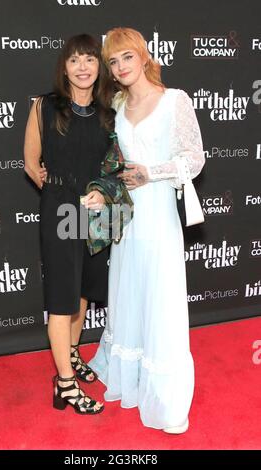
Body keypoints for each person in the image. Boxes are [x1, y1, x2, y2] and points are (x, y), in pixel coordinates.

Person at [88, 27, 205, 432]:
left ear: (143, 56)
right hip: (127, 214)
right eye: (113, 61)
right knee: (129, 291)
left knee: (159, 295)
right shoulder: (117, 104)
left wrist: (152, 172)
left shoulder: (175, 100)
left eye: (127, 57)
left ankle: (164, 399)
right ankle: (128, 377)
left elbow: (195, 159)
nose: (120, 67)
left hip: (157, 212)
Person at [24, 34, 114, 415]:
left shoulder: (111, 109)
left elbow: (117, 165)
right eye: (75, 60)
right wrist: (62, 192)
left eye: (89, 60)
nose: (82, 67)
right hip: (61, 210)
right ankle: (64, 384)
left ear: (99, 67)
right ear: (65, 67)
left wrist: (102, 194)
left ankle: (72, 354)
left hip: (97, 214)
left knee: (83, 289)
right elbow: (31, 162)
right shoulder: (44, 106)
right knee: (62, 299)